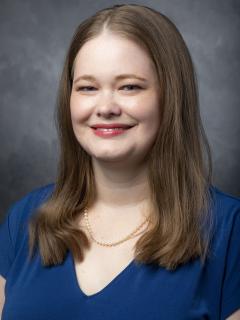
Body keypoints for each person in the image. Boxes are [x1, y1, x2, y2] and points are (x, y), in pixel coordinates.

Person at [0, 3, 239, 320]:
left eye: (129, 86)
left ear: (171, 97)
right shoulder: (25, 220)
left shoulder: (230, 230)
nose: (105, 106)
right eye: (87, 87)